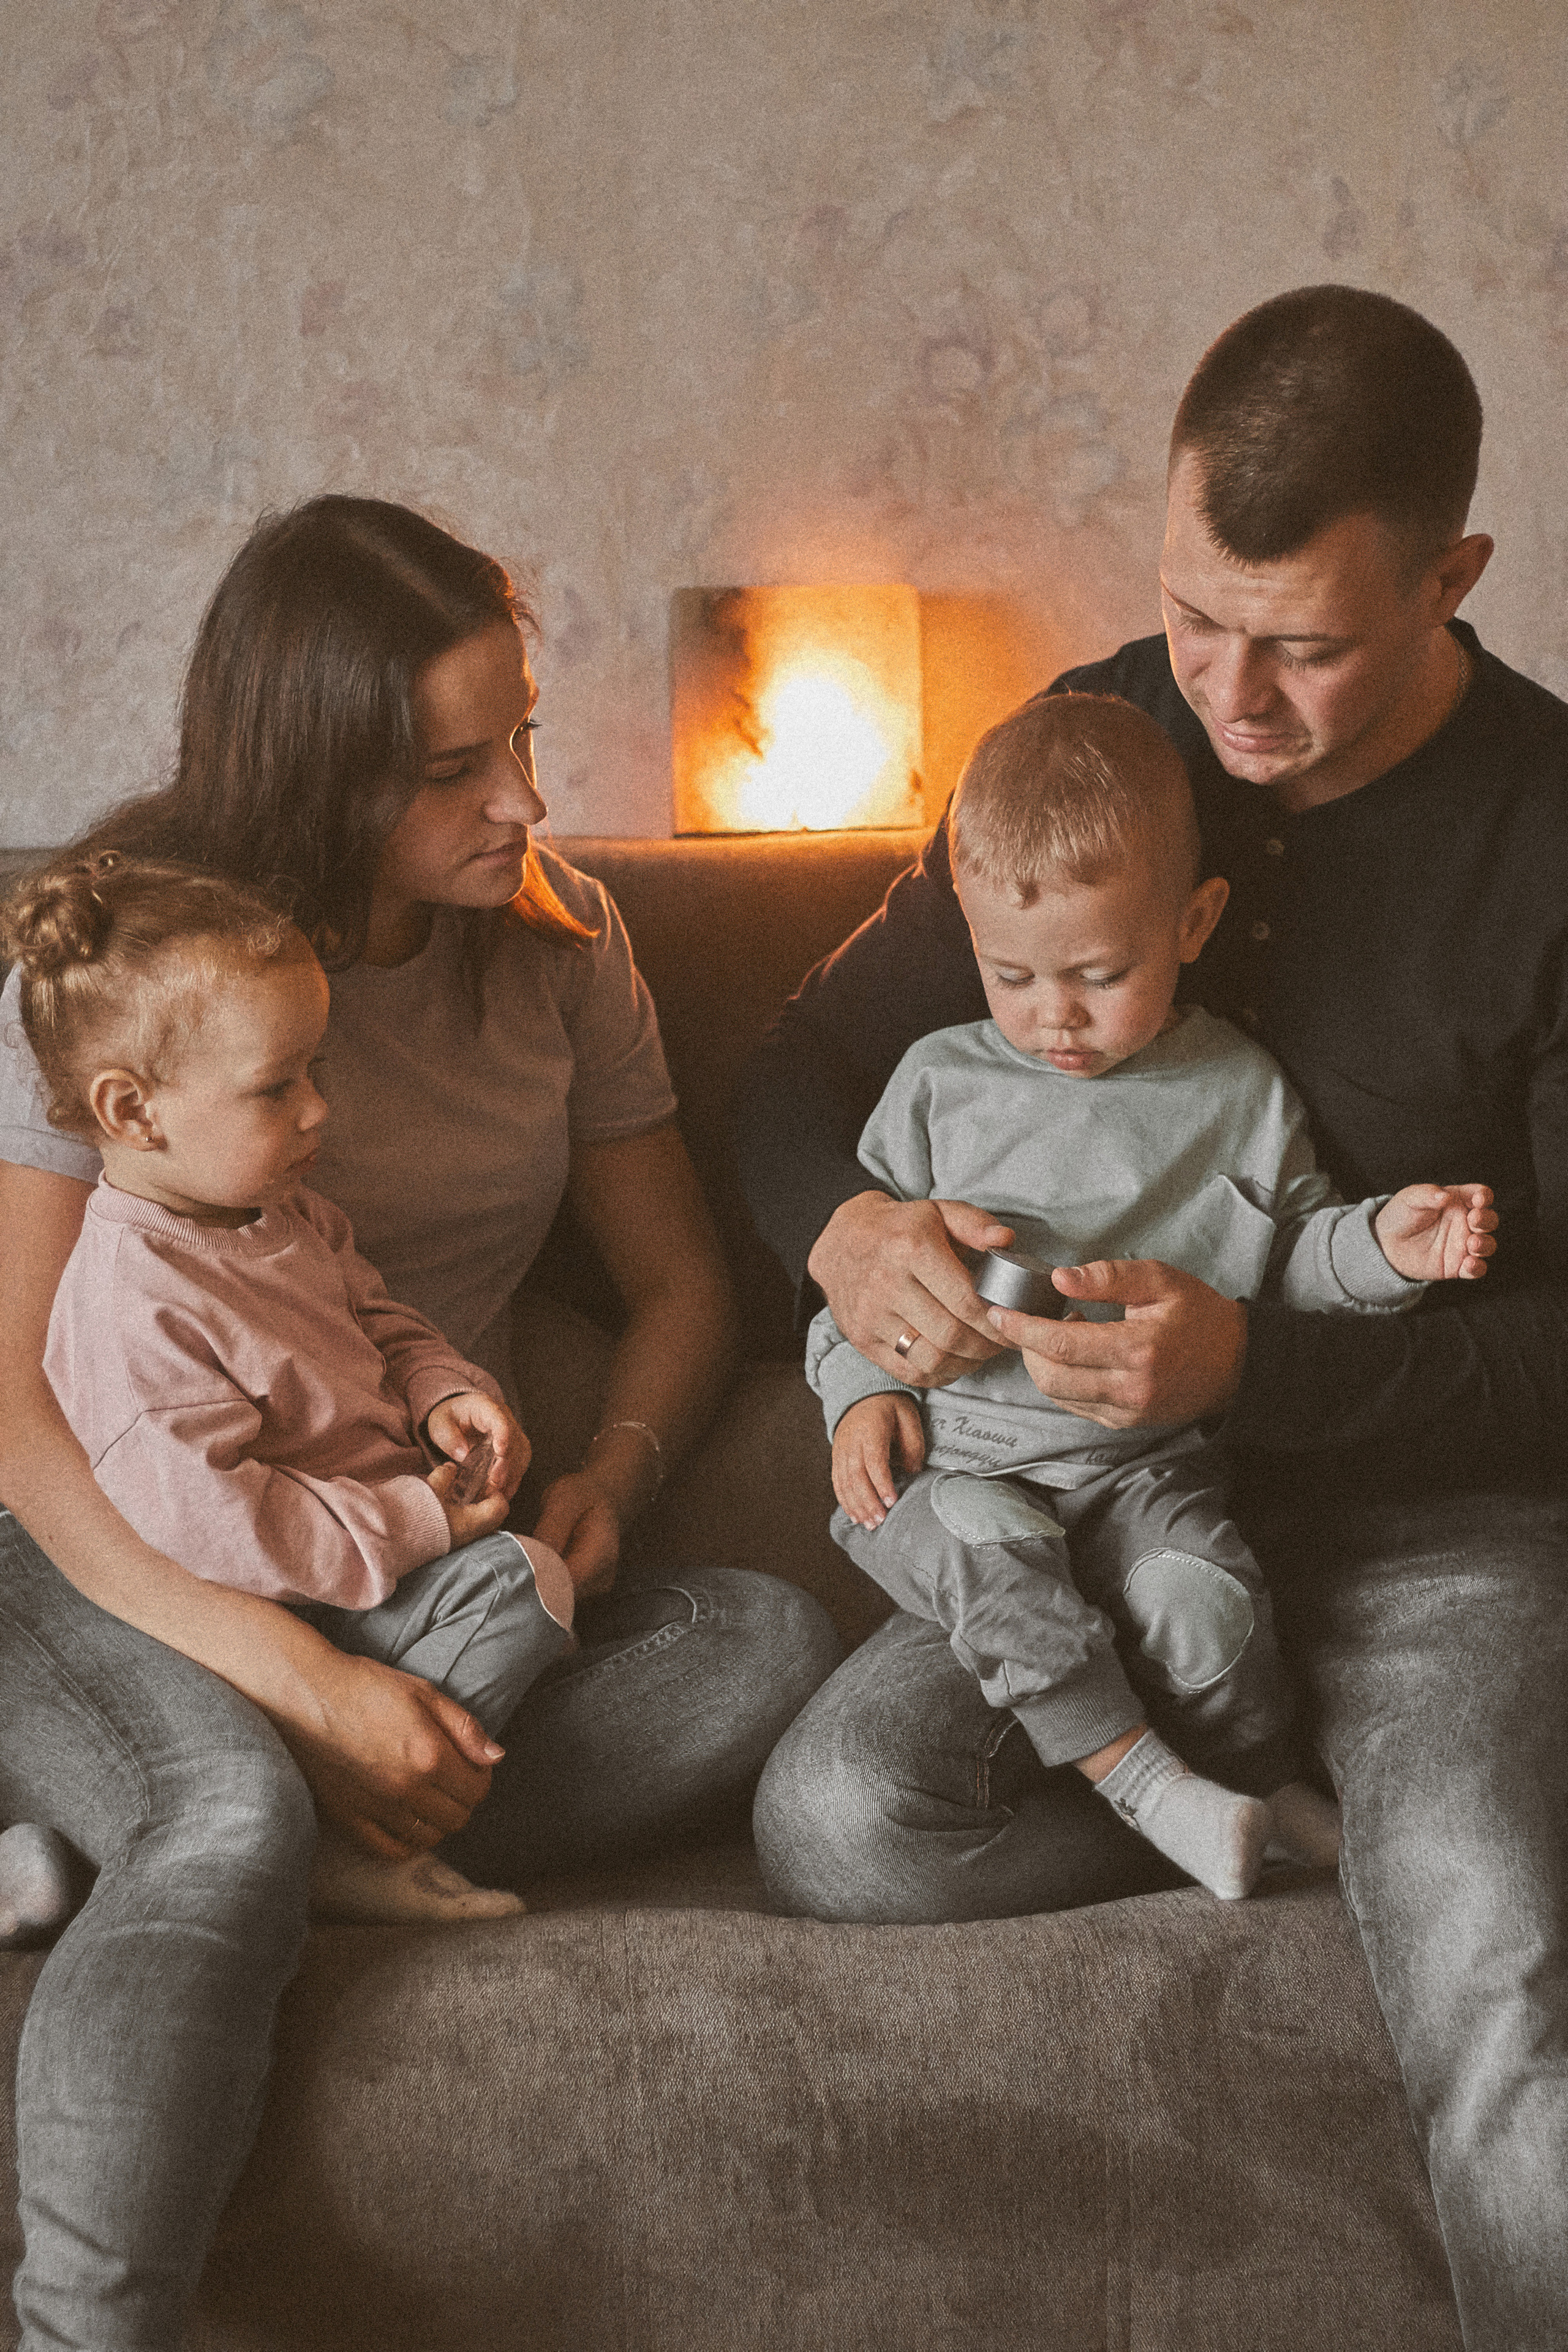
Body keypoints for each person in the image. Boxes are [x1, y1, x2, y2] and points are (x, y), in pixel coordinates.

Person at [739, 285, 1568, 2352]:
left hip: (1427, 1524)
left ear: (1455, 575)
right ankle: (1246, 1809)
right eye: (1199, 614)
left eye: (1303, 644)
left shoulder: (1551, 831)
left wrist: (1258, 1364)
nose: (1231, 693)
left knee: (1487, 1958)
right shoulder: (1107, 737)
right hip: (1070, 1496)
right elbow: (777, 1082)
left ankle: (1379, 1832)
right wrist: (844, 1236)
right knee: (842, 1819)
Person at [0, 495, 842, 2351]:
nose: (528, 800)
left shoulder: (562, 942)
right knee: (220, 1816)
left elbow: (683, 1289)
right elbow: (15, 1411)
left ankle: (235, 1808)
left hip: (397, 1554)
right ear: (320, 772)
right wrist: (301, 1695)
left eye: (524, 736)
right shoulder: (138, 964)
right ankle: (83, 2320)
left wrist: (607, 1473)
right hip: (114, 1540)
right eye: (460, 768)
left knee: (762, 1643)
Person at [808, 691, 1494, 1901]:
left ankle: (1255, 1783)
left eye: (1097, 973)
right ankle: (1146, 1789)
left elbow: (1292, 1262)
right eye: (1008, 974)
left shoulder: (1237, 1089)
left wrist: (1390, 1248)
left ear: (1193, 923)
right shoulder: (935, 1085)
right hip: (958, 1467)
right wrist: (860, 1396)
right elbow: (849, 1297)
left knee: (1207, 1608)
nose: (1051, 1016)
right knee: (997, 1566)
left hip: (1143, 1468)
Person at [8, 853, 589, 1924]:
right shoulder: (134, 1301)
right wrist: (416, 1518)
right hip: (278, 1613)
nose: (320, 1111)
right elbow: (220, 1529)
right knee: (527, 1585)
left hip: (369, 1575)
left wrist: (441, 1392)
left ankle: (210, 1848)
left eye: (314, 1071)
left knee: (590, 1602)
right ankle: (329, 1841)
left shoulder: (288, 1216)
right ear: (132, 1114)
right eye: (279, 1087)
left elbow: (377, 1318)